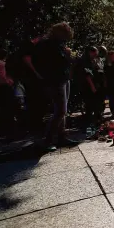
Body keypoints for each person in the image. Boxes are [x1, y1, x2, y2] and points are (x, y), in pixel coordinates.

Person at [32, 22, 74, 151]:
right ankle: (48, 140)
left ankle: (61, 137)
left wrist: (67, 55)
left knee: (63, 111)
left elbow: (64, 62)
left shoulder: (60, 44)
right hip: (54, 81)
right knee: (60, 111)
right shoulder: (46, 44)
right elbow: (44, 62)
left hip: (63, 78)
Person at [76, 46, 99, 128]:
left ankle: (93, 120)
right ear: (90, 52)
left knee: (93, 103)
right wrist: (92, 86)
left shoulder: (92, 60)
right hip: (87, 85)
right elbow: (87, 75)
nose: (96, 55)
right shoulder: (85, 61)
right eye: (95, 53)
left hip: (91, 84)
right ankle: (88, 122)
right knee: (89, 103)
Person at [0, 47, 18, 137]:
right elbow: (3, 77)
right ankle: (10, 131)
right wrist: (10, 82)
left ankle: (3, 129)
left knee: (2, 109)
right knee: (8, 109)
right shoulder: (2, 64)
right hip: (4, 88)